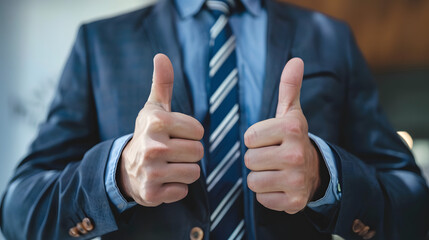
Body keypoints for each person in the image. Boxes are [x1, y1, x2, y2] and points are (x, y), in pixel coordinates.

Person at [1, 0, 428, 239]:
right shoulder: (99, 42)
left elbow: (414, 206)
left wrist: (324, 174)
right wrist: (117, 176)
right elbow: (19, 209)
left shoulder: (331, 37)